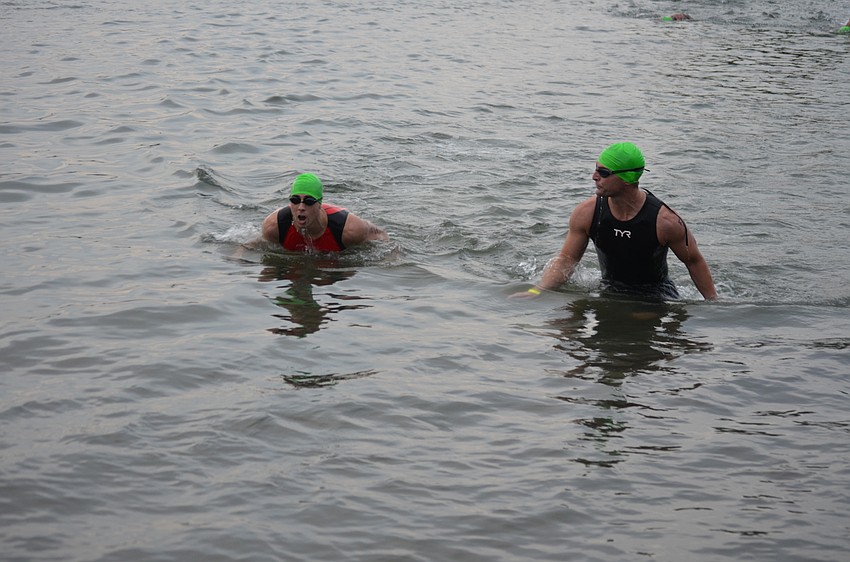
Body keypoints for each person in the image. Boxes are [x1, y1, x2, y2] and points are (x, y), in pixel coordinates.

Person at [512, 142, 717, 301]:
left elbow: (694, 261)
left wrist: (713, 303)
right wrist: (537, 291)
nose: (594, 177)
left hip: (655, 296)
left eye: (603, 173)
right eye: (595, 169)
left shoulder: (665, 222)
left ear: (627, 178)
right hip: (608, 288)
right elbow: (566, 259)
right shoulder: (587, 212)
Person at [261, 173, 388, 252]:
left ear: (319, 204)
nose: (301, 207)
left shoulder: (350, 229)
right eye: (295, 200)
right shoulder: (274, 226)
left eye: (309, 201)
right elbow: (258, 245)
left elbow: (381, 235)